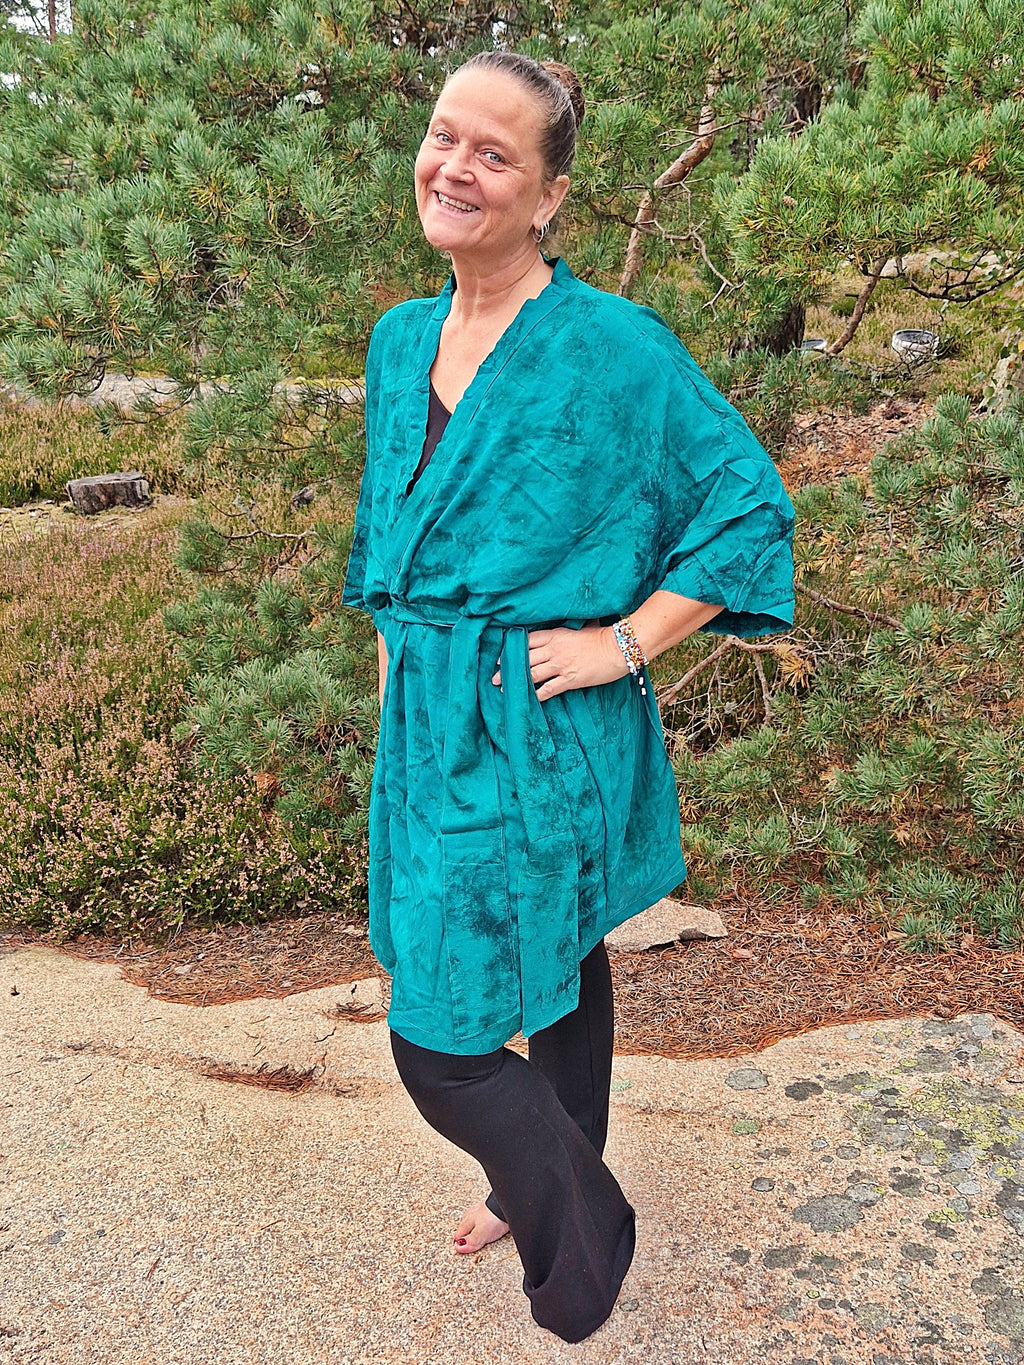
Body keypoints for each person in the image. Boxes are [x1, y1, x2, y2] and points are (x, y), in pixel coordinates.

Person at [342, 51, 795, 1343]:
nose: (454, 167)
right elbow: (394, 548)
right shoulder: (400, 341)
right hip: (433, 726)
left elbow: (747, 507)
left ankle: (580, 1232)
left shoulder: (613, 349)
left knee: (441, 1046)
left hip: (546, 725)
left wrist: (628, 644)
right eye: (444, 136)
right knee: (556, 963)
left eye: (494, 153)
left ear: (547, 197)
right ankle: (539, 1176)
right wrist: (403, 693)